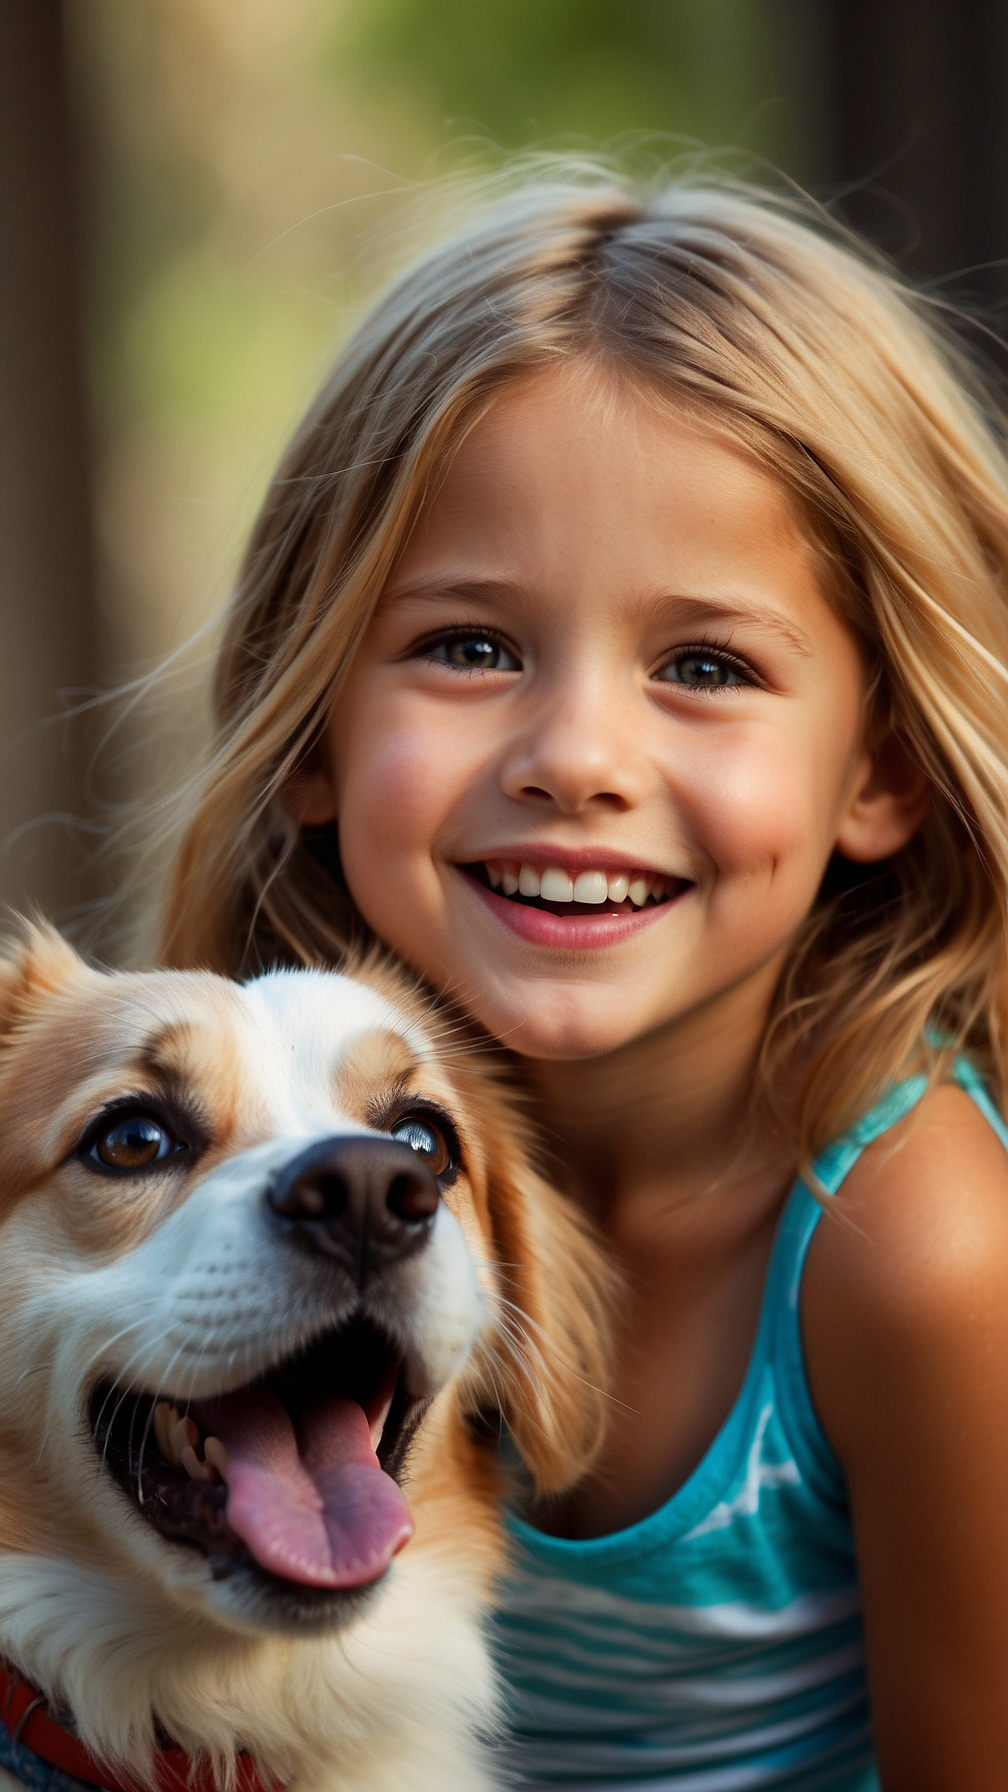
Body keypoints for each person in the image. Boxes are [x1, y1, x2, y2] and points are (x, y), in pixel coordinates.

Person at [154, 169, 1008, 1789]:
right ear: (312, 723)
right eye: (473, 646)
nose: (576, 760)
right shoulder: (232, 1197)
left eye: (705, 666)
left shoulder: (918, 1255)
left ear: (879, 772)